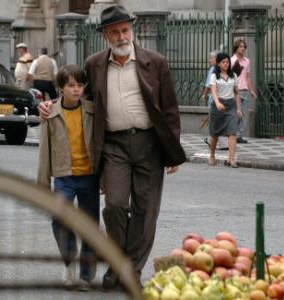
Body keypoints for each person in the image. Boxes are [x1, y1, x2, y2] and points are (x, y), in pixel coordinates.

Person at [39, 4, 186, 289]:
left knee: (145, 212)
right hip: (114, 144)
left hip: (149, 144)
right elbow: (80, 101)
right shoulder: (95, 64)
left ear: (131, 30)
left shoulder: (155, 62)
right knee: (115, 205)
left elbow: (170, 109)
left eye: (125, 30)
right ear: (106, 36)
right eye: (115, 32)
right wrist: (50, 106)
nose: (122, 37)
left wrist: (172, 150)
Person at [37, 65, 100, 289]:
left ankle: (85, 276)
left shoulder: (93, 110)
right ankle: (69, 263)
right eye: (71, 85)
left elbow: (102, 145)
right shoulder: (50, 113)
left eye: (80, 85)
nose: (76, 90)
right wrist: (42, 184)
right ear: (61, 88)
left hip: (89, 176)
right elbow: (44, 151)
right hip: (64, 177)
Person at [209, 52, 242, 168]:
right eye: (223, 62)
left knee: (232, 132)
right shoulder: (214, 76)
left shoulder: (234, 76)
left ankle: (231, 159)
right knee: (215, 134)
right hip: (218, 106)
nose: (226, 64)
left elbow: (237, 93)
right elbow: (213, 91)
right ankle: (212, 155)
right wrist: (217, 103)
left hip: (231, 106)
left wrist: (238, 108)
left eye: (227, 62)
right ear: (218, 64)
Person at [231, 39, 257, 144]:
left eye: (244, 47)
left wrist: (252, 90)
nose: (243, 48)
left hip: (245, 90)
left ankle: (238, 135)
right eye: (240, 46)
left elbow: (248, 77)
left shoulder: (247, 61)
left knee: (243, 114)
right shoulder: (231, 60)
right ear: (236, 48)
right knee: (236, 113)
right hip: (235, 91)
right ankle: (235, 135)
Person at [203, 49, 228, 151]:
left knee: (218, 121)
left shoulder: (214, 70)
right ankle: (220, 143)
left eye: (211, 58)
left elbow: (207, 87)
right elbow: (209, 86)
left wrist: (205, 95)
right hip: (216, 100)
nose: (210, 60)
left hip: (219, 99)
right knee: (218, 121)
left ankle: (211, 140)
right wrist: (205, 96)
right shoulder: (213, 70)